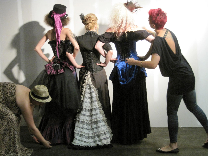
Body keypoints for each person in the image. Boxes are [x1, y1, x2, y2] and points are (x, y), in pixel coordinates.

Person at [125, 8, 208, 153]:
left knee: (172, 111)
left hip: (178, 79)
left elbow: (153, 64)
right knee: (193, 106)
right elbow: (156, 38)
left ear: (152, 21)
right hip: (188, 74)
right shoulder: (168, 32)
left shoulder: (158, 40)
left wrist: (135, 62)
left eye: (149, 19)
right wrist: (144, 33)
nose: (148, 21)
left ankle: (173, 145)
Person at [95, 0, 155, 145]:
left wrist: (108, 58)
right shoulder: (136, 29)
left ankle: (121, 133)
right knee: (135, 99)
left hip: (121, 66)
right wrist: (145, 57)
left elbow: (98, 45)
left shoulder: (113, 30)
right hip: (135, 65)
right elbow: (155, 41)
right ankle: (135, 133)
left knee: (121, 100)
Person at [30, 4, 81, 145]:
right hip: (67, 71)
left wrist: (49, 60)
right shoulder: (67, 31)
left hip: (54, 70)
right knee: (69, 103)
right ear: (64, 17)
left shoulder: (49, 33)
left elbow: (36, 48)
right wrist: (73, 58)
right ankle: (67, 136)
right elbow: (76, 47)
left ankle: (49, 135)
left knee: (54, 102)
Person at [68, 13, 113, 150]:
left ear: (85, 24)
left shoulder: (79, 39)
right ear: (95, 24)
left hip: (85, 72)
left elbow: (69, 52)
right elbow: (110, 52)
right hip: (98, 74)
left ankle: (83, 136)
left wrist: (76, 65)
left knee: (84, 103)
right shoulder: (100, 38)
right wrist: (105, 62)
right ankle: (103, 136)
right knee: (101, 101)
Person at [0, 82, 52, 156]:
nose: (42, 104)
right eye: (41, 102)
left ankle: (10, 145)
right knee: (10, 119)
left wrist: (32, 135)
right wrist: (44, 142)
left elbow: (30, 120)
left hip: (3, 97)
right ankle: (5, 148)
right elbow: (32, 127)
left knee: (16, 118)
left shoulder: (32, 95)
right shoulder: (25, 103)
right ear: (36, 99)